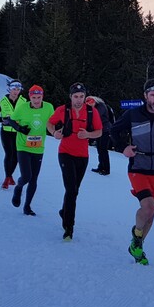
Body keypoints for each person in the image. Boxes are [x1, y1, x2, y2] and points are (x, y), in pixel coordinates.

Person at [110, 77, 154, 265]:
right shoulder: (133, 114)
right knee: (148, 207)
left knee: (152, 214)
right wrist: (122, 148)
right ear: (145, 96)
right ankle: (136, 238)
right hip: (138, 166)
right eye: (153, 95)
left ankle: (137, 246)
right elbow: (113, 131)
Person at [47, 82, 102, 240]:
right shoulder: (62, 110)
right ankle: (69, 228)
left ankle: (64, 211)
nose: (79, 100)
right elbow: (50, 123)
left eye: (81, 96)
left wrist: (88, 135)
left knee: (74, 190)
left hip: (83, 156)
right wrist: (54, 132)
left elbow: (99, 132)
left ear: (85, 97)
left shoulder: (91, 111)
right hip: (65, 153)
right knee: (71, 189)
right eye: (76, 96)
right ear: (70, 97)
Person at [5, 85, 54, 216]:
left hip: (38, 147)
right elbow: (11, 120)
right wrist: (20, 129)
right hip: (23, 146)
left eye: (39, 97)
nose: (36, 100)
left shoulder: (49, 107)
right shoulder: (22, 107)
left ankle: (27, 206)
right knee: (27, 176)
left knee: (34, 178)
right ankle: (19, 187)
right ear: (30, 97)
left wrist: (57, 129)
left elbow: (52, 122)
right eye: (34, 97)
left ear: (42, 96)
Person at [0, 79, 27, 189]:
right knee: (9, 154)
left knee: (17, 155)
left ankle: (10, 175)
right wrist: (1, 120)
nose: (16, 91)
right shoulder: (2, 101)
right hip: (6, 132)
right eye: (14, 89)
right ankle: (7, 178)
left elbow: (27, 116)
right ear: (9, 89)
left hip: (18, 132)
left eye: (18, 89)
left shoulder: (24, 101)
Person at [85, 96, 111, 175]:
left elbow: (95, 116)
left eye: (91, 103)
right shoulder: (96, 107)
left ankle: (106, 169)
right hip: (99, 129)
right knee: (99, 149)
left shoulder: (101, 106)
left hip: (105, 129)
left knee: (103, 149)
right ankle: (101, 166)